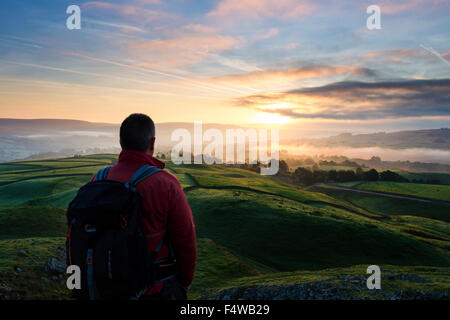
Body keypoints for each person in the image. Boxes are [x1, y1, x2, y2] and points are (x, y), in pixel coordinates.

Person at [92, 113, 196, 299]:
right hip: (154, 289)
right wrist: (183, 284)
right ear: (152, 143)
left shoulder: (98, 180)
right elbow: (185, 243)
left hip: (105, 288)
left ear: (121, 142)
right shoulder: (165, 184)